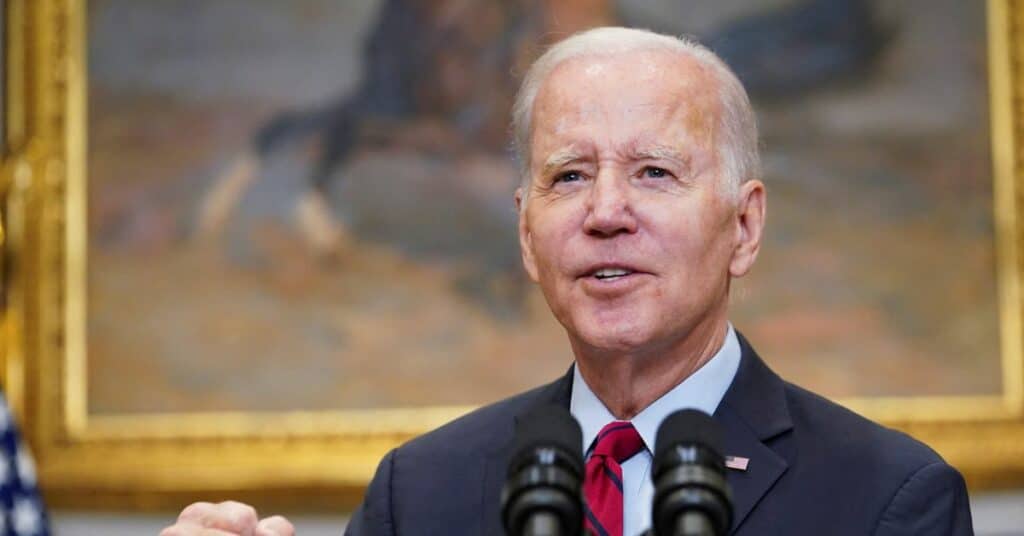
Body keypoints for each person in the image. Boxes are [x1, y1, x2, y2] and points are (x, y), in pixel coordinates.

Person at [160, 27, 973, 536]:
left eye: (654, 172)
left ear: (745, 226)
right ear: (525, 231)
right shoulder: (422, 494)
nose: (606, 212)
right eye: (570, 176)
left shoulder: (888, 501)